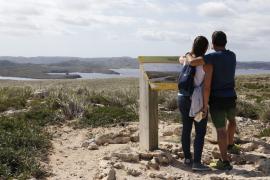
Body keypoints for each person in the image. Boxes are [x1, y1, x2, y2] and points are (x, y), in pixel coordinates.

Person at [185, 31, 239, 170]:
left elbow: (192, 63)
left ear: (213, 43)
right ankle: (231, 145)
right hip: (231, 96)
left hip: (218, 99)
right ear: (225, 42)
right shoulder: (232, 55)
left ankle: (224, 161)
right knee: (232, 121)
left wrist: (187, 54)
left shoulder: (212, 57)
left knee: (221, 130)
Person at [178, 36, 213, 171]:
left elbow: (180, 58)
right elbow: (206, 88)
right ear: (205, 48)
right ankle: (197, 163)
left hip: (182, 97)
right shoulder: (205, 63)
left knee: (186, 129)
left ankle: (187, 158)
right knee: (200, 132)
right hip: (197, 100)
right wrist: (205, 106)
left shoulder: (186, 60)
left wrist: (187, 54)